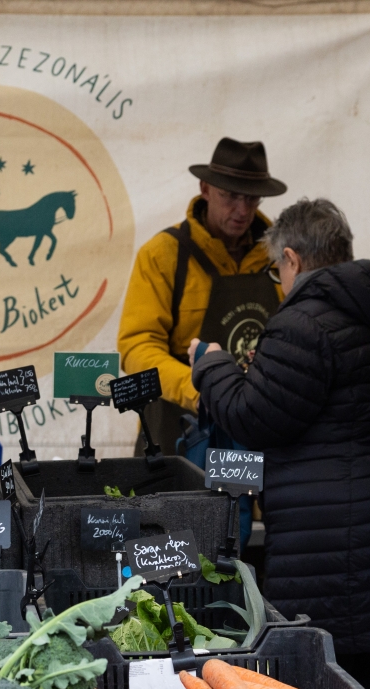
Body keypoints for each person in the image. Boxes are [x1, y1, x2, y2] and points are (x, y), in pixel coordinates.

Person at [187, 198, 370, 689]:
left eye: (278, 271)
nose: (280, 282)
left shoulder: (301, 321)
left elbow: (254, 417)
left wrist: (213, 366)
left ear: (292, 259)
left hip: (338, 538)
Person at [117, 138, 286, 458]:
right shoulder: (162, 255)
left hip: (256, 423)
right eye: (230, 196)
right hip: (180, 426)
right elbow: (137, 347)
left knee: (252, 493)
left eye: (252, 198)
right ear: (205, 189)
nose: (243, 210)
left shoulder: (281, 255)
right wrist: (197, 389)